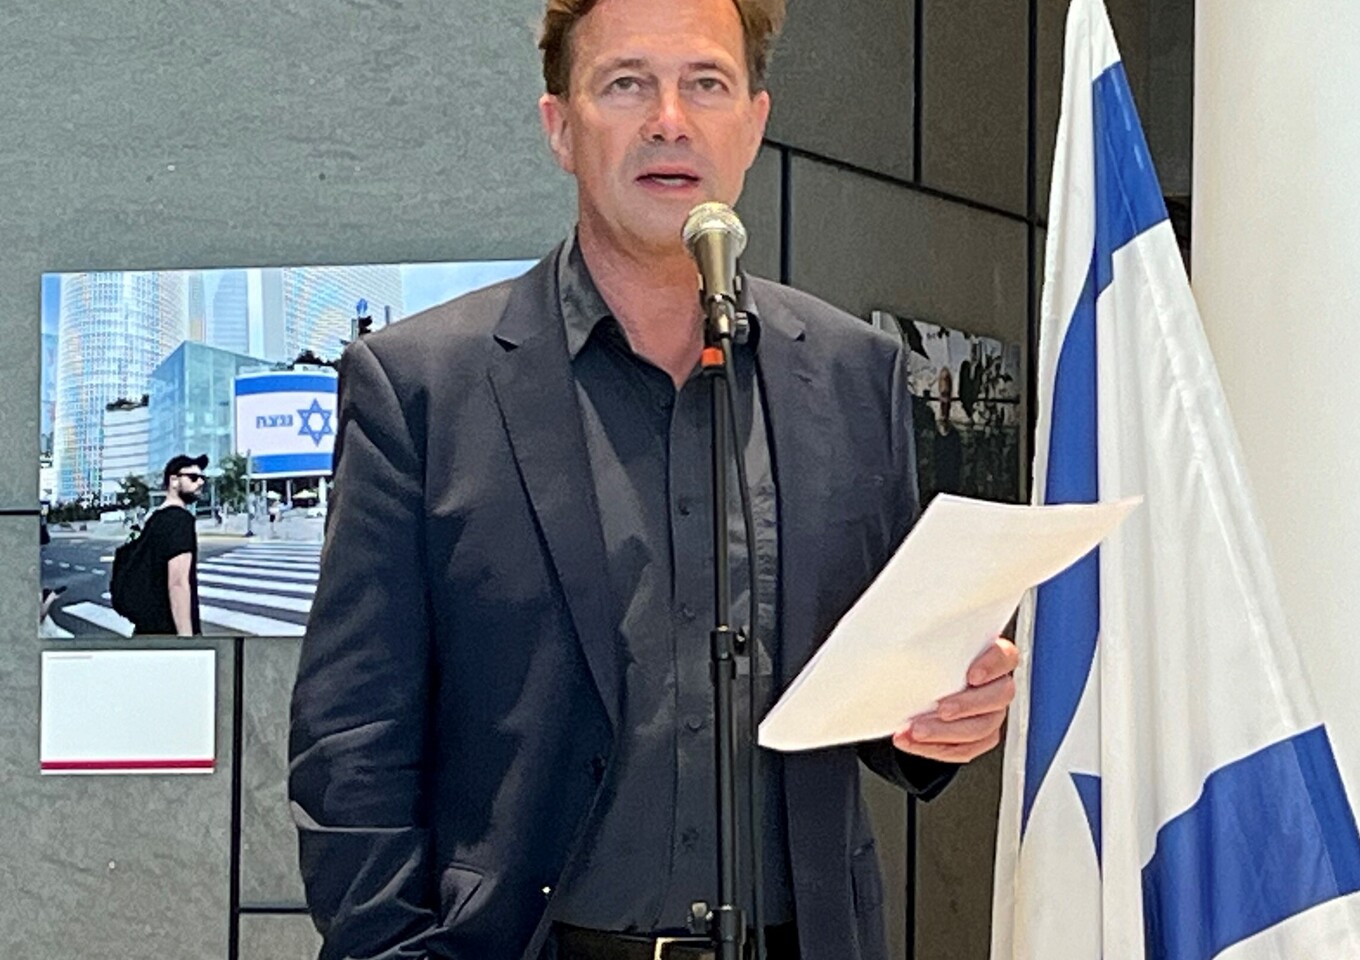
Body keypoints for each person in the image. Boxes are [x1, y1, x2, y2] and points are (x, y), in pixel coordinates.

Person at [285, 2, 1017, 958]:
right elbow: (351, 737)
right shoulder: (425, 388)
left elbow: (873, 691)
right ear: (560, 127)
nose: (670, 119)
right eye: (626, 83)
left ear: (753, 122)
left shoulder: (850, 374)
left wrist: (949, 707)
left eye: (706, 83)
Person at [132, 454, 208, 636]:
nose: (201, 482)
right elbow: (178, 583)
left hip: (147, 629)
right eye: (193, 477)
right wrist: (186, 640)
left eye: (202, 478)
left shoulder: (155, 519)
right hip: (169, 631)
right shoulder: (180, 520)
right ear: (174, 481)